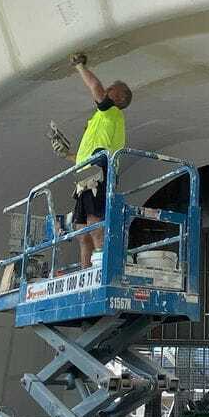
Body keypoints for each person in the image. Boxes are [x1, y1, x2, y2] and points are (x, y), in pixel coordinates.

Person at [50, 52, 132, 267]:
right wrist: (66, 154)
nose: (106, 89)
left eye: (112, 88)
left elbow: (95, 88)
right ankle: (86, 275)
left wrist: (80, 67)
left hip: (98, 174)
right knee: (81, 232)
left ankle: (101, 269)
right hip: (87, 174)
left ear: (120, 98)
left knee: (95, 226)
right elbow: (85, 157)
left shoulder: (112, 113)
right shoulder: (99, 120)